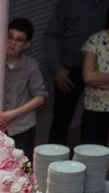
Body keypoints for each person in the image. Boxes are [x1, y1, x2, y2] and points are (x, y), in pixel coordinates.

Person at [44, 0, 109, 145]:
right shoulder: (67, 3)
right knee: (61, 120)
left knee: (96, 125)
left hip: (100, 74)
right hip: (69, 72)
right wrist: (57, 69)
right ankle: (54, 163)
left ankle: (93, 162)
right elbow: (51, 35)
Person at [0, 18, 47, 161]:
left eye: (19, 40)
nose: (13, 43)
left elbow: (40, 97)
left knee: (23, 167)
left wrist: (11, 114)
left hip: (23, 127)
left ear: (26, 44)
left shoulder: (31, 65)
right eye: (10, 37)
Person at [81, 11, 109, 145]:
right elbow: (89, 77)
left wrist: (101, 80)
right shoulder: (95, 40)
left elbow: (95, 78)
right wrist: (96, 79)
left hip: (99, 95)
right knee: (94, 151)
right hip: (96, 107)